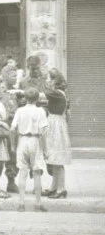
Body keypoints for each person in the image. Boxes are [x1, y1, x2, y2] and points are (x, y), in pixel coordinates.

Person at [10, 88, 49, 212]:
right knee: (37, 173)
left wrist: (12, 144)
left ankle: (21, 202)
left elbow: (12, 129)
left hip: (22, 140)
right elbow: (43, 133)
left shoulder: (20, 110)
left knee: (23, 172)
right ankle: (38, 202)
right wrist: (46, 149)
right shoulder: (40, 111)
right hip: (35, 140)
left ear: (25, 98)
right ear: (37, 99)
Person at [42, 69, 71, 199]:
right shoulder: (60, 93)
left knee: (58, 159)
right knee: (54, 159)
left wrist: (46, 85)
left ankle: (61, 189)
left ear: (54, 80)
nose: (47, 80)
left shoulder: (57, 93)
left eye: (49, 78)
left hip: (55, 124)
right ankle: (54, 187)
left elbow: (43, 93)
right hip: (56, 124)